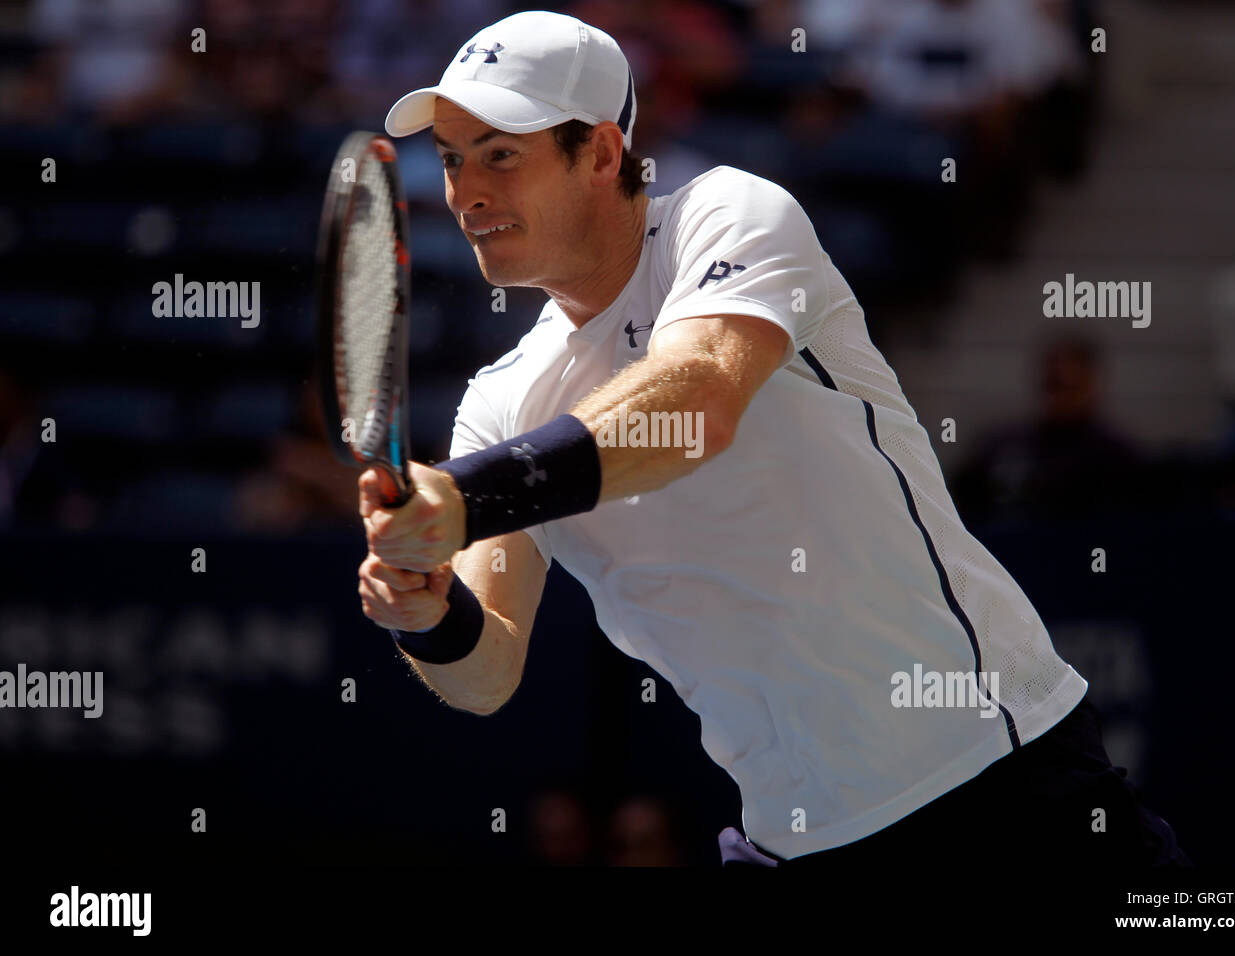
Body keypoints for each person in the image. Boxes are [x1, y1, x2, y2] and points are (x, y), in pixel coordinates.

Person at [356, 11, 1188, 867]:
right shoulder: (498, 405)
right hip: (793, 839)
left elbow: (698, 404)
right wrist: (424, 610)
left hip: (997, 780)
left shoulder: (728, 212)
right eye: (453, 159)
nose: (464, 193)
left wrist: (463, 499)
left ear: (602, 154)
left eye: (499, 154)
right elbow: (487, 670)